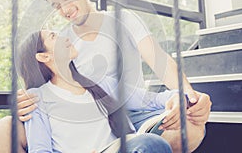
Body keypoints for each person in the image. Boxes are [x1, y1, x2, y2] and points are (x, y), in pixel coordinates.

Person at [0, 0, 211, 153]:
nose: (64, 9)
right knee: (2, 130)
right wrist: (26, 99)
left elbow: (159, 60)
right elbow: (48, 80)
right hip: (84, 121)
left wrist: (189, 98)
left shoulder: (123, 20)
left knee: (190, 125)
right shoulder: (65, 42)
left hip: (131, 107)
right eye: (56, 5)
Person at [17, 29, 173, 153]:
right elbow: (40, 150)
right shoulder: (37, 97)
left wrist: (182, 97)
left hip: (120, 148)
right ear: (44, 57)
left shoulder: (101, 83)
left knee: (151, 144)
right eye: (53, 36)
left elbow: (153, 100)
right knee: (150, 144)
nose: (64, 37)